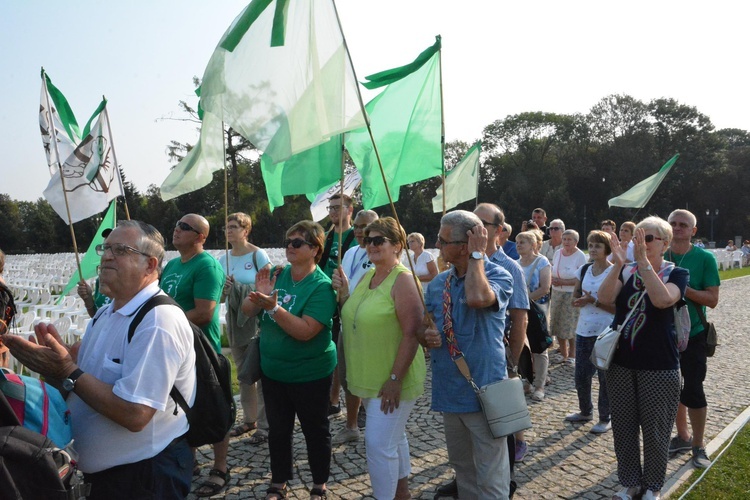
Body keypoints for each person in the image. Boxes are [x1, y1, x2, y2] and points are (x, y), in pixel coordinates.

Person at [2, 221, 197, 499]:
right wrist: (56, 367)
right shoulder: (107, 313)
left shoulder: (158, 321)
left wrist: (67, 369)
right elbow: (83, 381)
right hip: (111, 477)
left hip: (145, 477)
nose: (106, 256)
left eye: (120, 249)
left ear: (150, 265)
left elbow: (135, 414)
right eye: (105, 248)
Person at [422, 210, 514, 499]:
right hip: (450, 392)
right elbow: (423, 329)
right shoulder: (438, 284)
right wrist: (427, 336)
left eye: (443, 240)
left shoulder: (499, 274)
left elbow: (477, 298)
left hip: (485, 391)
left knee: (492, 474)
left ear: (464, 246)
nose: (437, 245)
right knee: (463, 468)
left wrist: (477, 257)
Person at [242, 220, 337, 500]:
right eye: (288, 242)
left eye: (297, 243)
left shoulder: (322, 286)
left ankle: (319, 483)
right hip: (273, 371)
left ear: (315, 248)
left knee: (315, 430)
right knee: (278, 430)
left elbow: (306, 332)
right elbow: (248, 310)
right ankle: (279, 480)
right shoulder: (277, 273)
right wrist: (260, 294)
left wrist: (273, 307)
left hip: (310, 374)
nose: (290, 247)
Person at [333, 217, 426, 500]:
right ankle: (401, 493)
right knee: (394, 438)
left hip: (392, 378)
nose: (369, 245)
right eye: (366, 239)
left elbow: (412, 334)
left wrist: (395, 379)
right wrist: (344, 292)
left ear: (397, 246)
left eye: (377, 240)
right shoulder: (367, 276)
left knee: (378, 444)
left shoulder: (404, 280)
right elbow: (355, 312)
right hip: (369, 375)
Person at [598, 217, 688, 500]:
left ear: (665, 243)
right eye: (637, 238)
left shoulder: (677, 273)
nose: (642, 244)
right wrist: (618, 265)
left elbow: (662, 300)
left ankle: (653, 486)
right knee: (623, 427)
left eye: (648, 239)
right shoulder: (626, 270)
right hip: (621, 362)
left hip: (659, 364)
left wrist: (644, 264)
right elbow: (603, 298)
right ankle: (630, 482)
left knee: (656, 429)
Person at [160, 214, 227, 497]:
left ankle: (221, 468)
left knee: (213, 408)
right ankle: (192, 460)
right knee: (182, 405)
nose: (177, 229)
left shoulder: (207, 266)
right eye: (176, 224)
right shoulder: (173, 264)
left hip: (201, 348)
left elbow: (204, 312)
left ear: (201, 237)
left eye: (185, 227)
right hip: (175, 347)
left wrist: (163, 321)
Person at [474, 203, 531, 462]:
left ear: (498, 231)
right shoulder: (463, 263)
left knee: (501, 415)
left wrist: (513, 364)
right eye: (471, 222)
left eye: (481, 224)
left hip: (500, 351)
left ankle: (507, 468)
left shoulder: (510, 267)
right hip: (471, 353)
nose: (474, 229)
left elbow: (520, 319)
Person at [665, 209, 720, 469]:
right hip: (663, 335)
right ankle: (683, 436)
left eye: (683, 225)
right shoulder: (659, 254)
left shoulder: (704, 258)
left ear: (693, 231)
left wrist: (681, 287)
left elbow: (712, 299)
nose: (677, 228)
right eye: (673, 224)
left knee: (694, 390)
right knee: (671, 390)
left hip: (694, 334)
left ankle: (698, 445)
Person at [219, 213, 272, 444]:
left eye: (233, 227)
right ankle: (248, 419)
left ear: (245, 230)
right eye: (226, 227)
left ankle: (264, 424)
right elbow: (219, 294)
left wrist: (243, 287)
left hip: (255, 320)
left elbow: (270, 284)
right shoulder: (223, 259)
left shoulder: (257, 254)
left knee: (259, 369)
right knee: (243, 372)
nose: (228, 231)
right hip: (234, 319)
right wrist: (227, 288)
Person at [331, 209, 379, 445]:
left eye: (365, 227)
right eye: (357, 227)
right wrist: (337, 286)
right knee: (347, 374)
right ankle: (351, 425)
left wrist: (347, 292)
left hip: (370, 327)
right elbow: (342, 291)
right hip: (346, 321)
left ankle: (375, 420)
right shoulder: (349, 251)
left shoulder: (380, 254)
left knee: (369, 374)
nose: (360, 231)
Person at [566, 230, 615, 434]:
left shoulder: (614, 272)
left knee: (605, 377)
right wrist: (579, 300)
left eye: (598, 245)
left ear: (607, 249)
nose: (593, 249)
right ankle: (585, 411)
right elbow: (574, 297)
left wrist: (593, 301)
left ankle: (605, 417)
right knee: (581, 375)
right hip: (584, 329)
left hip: (605, 330)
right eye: (591, 245)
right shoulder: (584, 269)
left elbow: (617, 308)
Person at [319, 193, 358, 417]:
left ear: (349, 210)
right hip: (327, 300)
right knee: (330, 350)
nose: (333, 211)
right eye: (330, 208)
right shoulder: (325, 237)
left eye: (338, 207)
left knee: (349, 352)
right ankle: (332, 400)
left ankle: (356, 400)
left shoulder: (355, 236)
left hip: (348, 300)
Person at [516, 230, 551, 402]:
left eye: (523, 241)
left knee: (539, 348)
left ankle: (540, 385)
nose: (519, 244)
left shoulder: (542, 261)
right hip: (519, 311)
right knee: (522, 347)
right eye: (517, 241)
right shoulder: (515, 263)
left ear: (533, 244)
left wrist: (524, 300)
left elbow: (545, 287)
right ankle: (527, 379)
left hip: (537, 309)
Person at [549, 229, 586, 364]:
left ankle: (572, 353)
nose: (566, 242)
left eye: (570, 239)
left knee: (570, 323)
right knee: (557, 321)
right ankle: (563, 351)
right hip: (557, 292)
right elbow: (553, 269)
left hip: (571, 293)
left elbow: (581, 278)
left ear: (576, 241)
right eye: (564, 239)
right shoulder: (558, 253)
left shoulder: (580, 256)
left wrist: (564, 282)